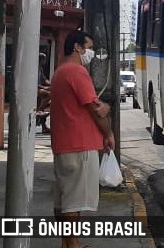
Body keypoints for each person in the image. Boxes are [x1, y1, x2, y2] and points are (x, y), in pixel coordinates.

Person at [50, 30, 114, 248]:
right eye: (89, 47)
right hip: (79, 145)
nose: (91, 52)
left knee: (63, 200)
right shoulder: (77, 72)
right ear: (77, 47)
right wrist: (108, 133)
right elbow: (96, 110)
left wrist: (101, 107)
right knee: (73, 202)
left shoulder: (60, 71)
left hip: (64, 145)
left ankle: (68, 243)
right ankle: (73, 246)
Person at [37, 52, 51, 133]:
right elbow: (35, 83)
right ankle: (40, 109)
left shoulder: (40, 69)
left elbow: (44, 79)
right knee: (49, 93)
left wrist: (52, 84)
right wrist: (45, 87)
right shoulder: (34, 68)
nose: (45, 61)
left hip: (40, 88)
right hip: (35, 89)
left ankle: (44, 127)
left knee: (51, 91)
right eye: (44, 59)